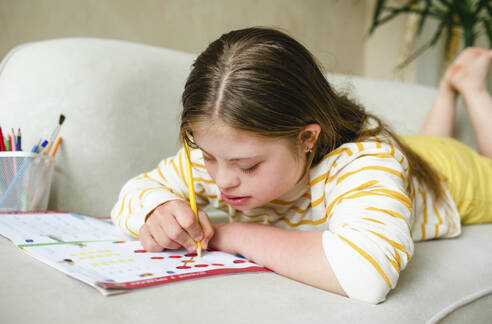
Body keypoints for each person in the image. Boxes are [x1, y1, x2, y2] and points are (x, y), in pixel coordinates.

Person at [111, 28, 492, 304]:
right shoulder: (218, 154)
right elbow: (131, 197)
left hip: (453, 176)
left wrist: (230, 234)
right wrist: (157, 209)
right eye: (208, 156)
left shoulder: (367, 165)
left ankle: (472, 90)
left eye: (248, 166)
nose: (222, 180)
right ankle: (449, 89)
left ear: (307, 139)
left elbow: (367, 276)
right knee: (420, 148)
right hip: (412, 155)